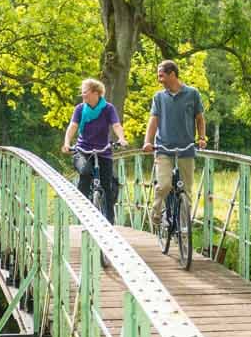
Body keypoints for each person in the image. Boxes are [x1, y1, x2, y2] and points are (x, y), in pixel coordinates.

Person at [142, 60, 207, 232]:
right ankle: (156, 212)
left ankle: (184, 227)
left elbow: (199, 118)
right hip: (164, 148)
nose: (159, 79)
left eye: (161, 75)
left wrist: (201, 138)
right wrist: (147, 142)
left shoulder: (192, 93)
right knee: (164, 185)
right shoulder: (159, 97)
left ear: (172, 74)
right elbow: (153, 121)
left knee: (186, 191)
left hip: (186, 149)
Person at [62, 78, 126, 222]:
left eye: (85, 92)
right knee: (85, 173)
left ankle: (110, 222)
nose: (83, 95)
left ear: (96, 93)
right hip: (83, 150)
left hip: (103, 151)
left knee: (107, 186)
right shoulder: (80, 109)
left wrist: (121, 138)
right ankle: (82, 213)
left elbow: (116, 125)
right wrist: (67, 143)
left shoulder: (108, 108)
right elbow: (72, 126)